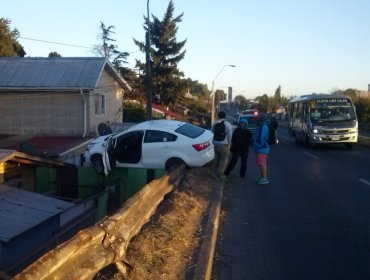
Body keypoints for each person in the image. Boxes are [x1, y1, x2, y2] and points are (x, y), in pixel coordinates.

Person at [212, 111, 233, 180]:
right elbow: (229, 135)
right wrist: (229, 144)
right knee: (223, 160)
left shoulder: (215, 123)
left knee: (216, 159)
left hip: (215, 144)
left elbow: (212, 132)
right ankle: (220, 174)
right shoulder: (228, 124)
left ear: (218, 116)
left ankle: (214, 174)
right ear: (225, 116)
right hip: (224, 144)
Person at [253, 113, 270, 184]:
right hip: (261, 148)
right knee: (260, 163)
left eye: (257, 118)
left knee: (262, 163)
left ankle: (264, 178)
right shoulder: (261, 126)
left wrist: (257, 146)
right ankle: (262, 176)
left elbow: (261, 139)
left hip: (261, 148)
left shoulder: (263, 127)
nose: (256, 119)